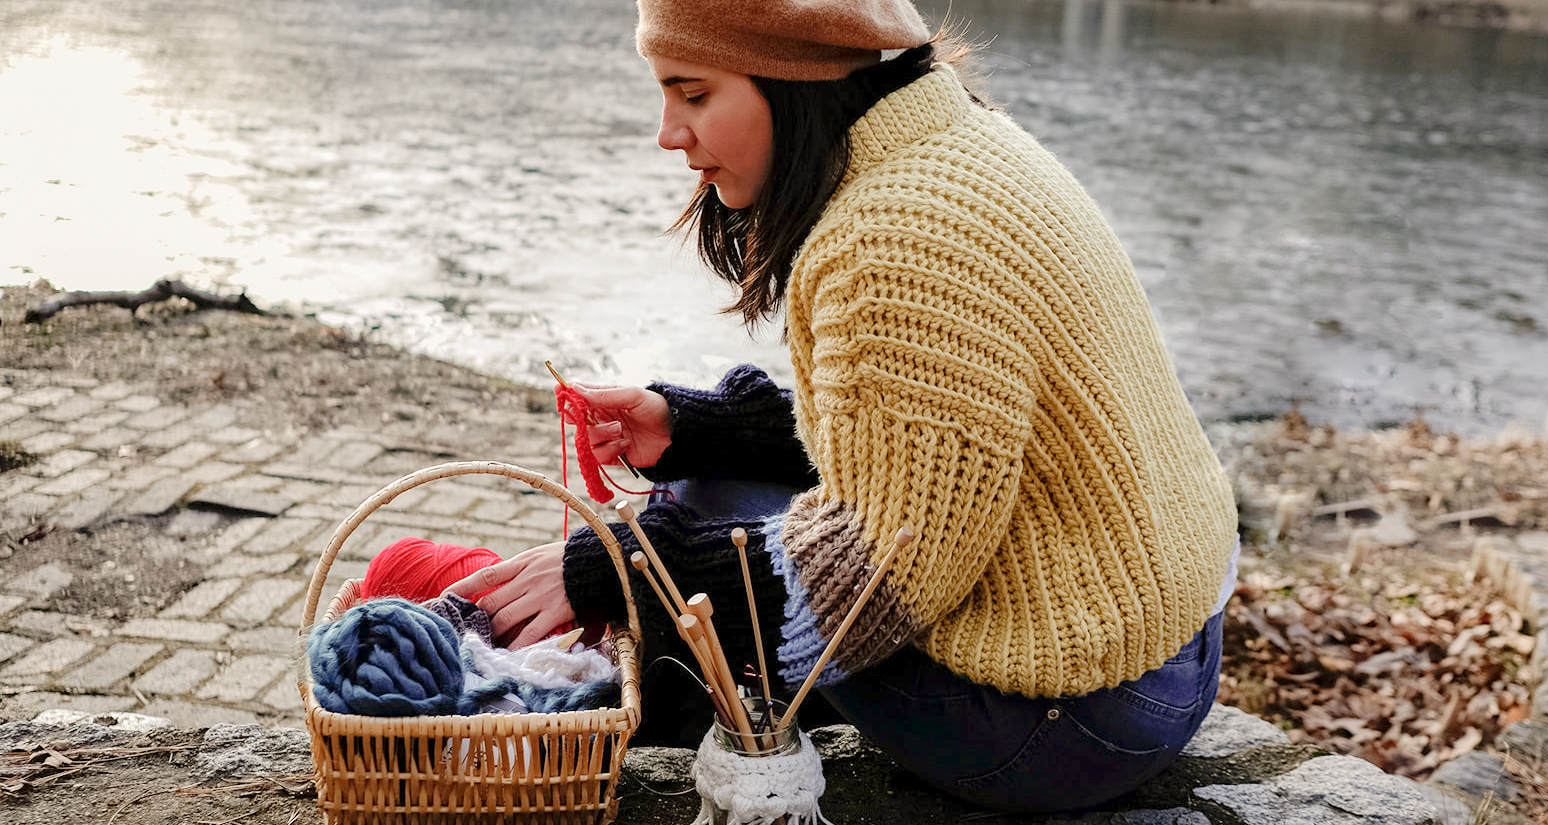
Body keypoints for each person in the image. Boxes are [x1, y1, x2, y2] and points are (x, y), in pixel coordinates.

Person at [446, 0, 1240, 812]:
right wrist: (697, 426)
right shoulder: (955, 142)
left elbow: (881, 569)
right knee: (701, 490)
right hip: (1160, 645)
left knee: (690, 539)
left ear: (792, 77)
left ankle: (659, 761)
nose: (668, 133)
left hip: (1069, 717)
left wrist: (629, 568)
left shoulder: (888, 238)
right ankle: (695, 721)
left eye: (693, 94)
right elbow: (934, 434)